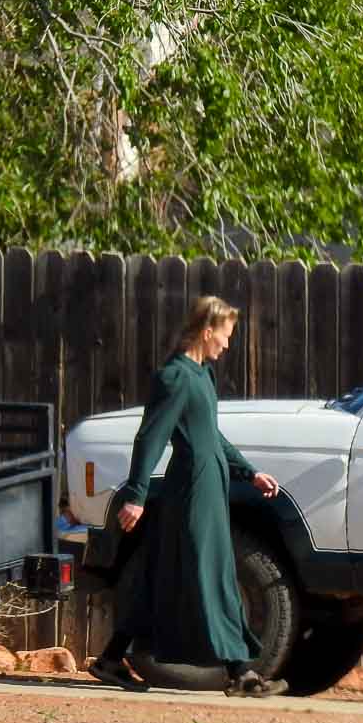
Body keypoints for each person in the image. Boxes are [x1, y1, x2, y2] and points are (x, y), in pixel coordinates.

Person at [88, 295, 287, 697]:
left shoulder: (202, 376)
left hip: (209, 485)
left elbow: (211, 436)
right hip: (191, 489)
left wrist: (250, 473)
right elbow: (151, 436)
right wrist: (137, 494)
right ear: (206, 330)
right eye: (225, 336)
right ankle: (240, 673)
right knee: (212, 574)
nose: (228, 345)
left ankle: (111, 658)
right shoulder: (175, 377)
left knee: (161, 575)